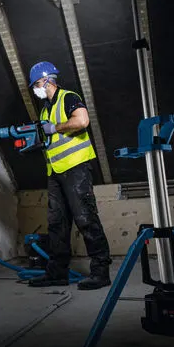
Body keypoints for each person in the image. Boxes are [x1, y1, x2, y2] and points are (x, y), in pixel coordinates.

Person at [27, 61, 113, 290]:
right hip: (55, 171)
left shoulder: (68, 97)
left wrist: (54, 128)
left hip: (76, 168)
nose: (35, 89)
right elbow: (52, 139)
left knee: (86, 218)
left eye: (36, 84)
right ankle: (56, 273)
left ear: (46, 80)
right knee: (57, 224)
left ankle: (101, 272)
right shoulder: (45, 109)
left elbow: (82, 121)